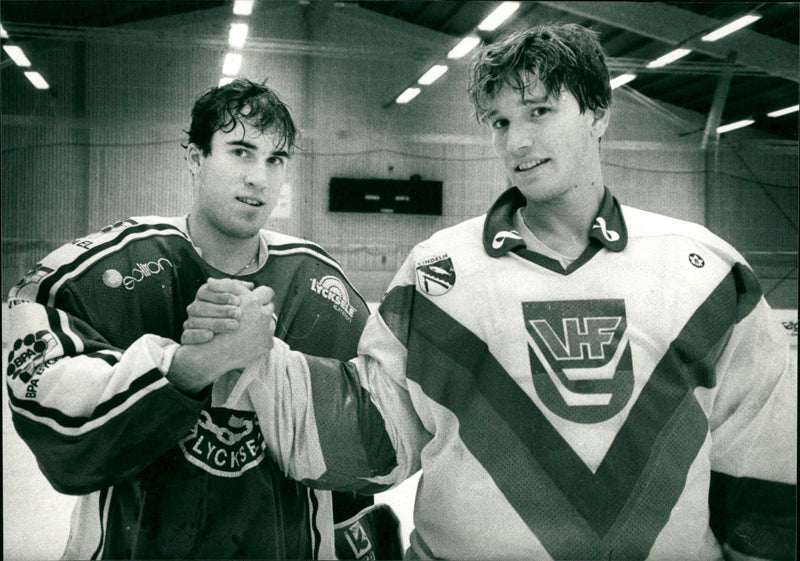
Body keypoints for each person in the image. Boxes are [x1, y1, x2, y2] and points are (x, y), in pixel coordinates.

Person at [182, 24, 797, 560]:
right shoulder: (439, 273)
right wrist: (257, 360)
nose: (517, 143)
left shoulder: (707, 272)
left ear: (599, 112)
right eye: (500, 122)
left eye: (539, 111)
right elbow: (377, 432)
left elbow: (764, 465)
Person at [4, 78, 401, 560]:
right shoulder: (108, 271)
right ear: (195, 158)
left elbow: (365, 436)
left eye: (275, 160)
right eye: (240, 151)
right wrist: (194, 364)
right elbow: (56, 429)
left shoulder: (318, 283)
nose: (259, 177)